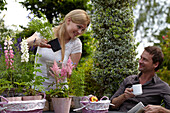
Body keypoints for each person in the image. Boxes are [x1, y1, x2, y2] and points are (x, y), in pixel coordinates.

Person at [26, 9, 90, 90]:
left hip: (59, 93)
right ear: (68, 20)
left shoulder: (76, 44)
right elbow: (25, 44)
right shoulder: (46, 32)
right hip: (37, 90)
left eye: (83, 29)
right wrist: (36, 41)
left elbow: (70, 71)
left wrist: (60, 71)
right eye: (79, 27)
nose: (80, 32)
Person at [110, 46, 170, 112]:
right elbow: (111, 105)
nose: (140, 61)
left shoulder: (162, 87)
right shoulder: (129, 80)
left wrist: (160, 109)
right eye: (140, 58)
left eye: (144, 59)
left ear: (155, 64)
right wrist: (124, 96)